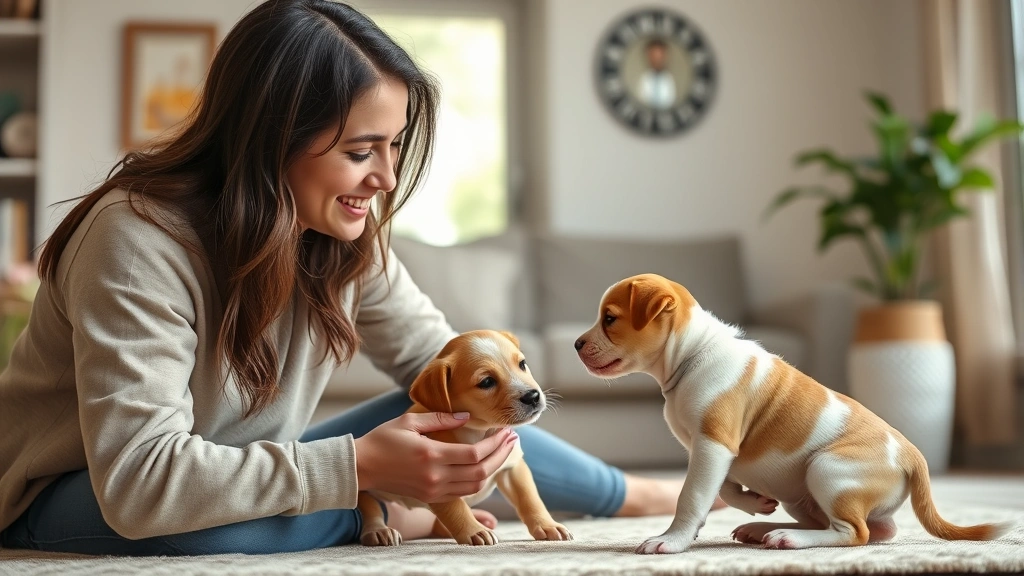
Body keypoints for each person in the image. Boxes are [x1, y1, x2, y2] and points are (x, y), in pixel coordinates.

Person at [0, 0, 722, 556]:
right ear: (268, 139)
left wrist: (380, 459)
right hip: (72, 492)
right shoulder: (137, 237)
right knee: (195, 533)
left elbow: (458, 371)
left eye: (395, 146)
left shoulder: (344, 239)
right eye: (359, 151)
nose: (384, 178)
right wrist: (358, 473)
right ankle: (392, 511)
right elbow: (141, 484)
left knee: (462, 404)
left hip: (225, 472)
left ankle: (635, 493)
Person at [638, 38, 676, 109]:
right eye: (653, 55)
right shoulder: (644, 78)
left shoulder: (669, 78)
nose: (657, 59)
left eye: (659, 55)